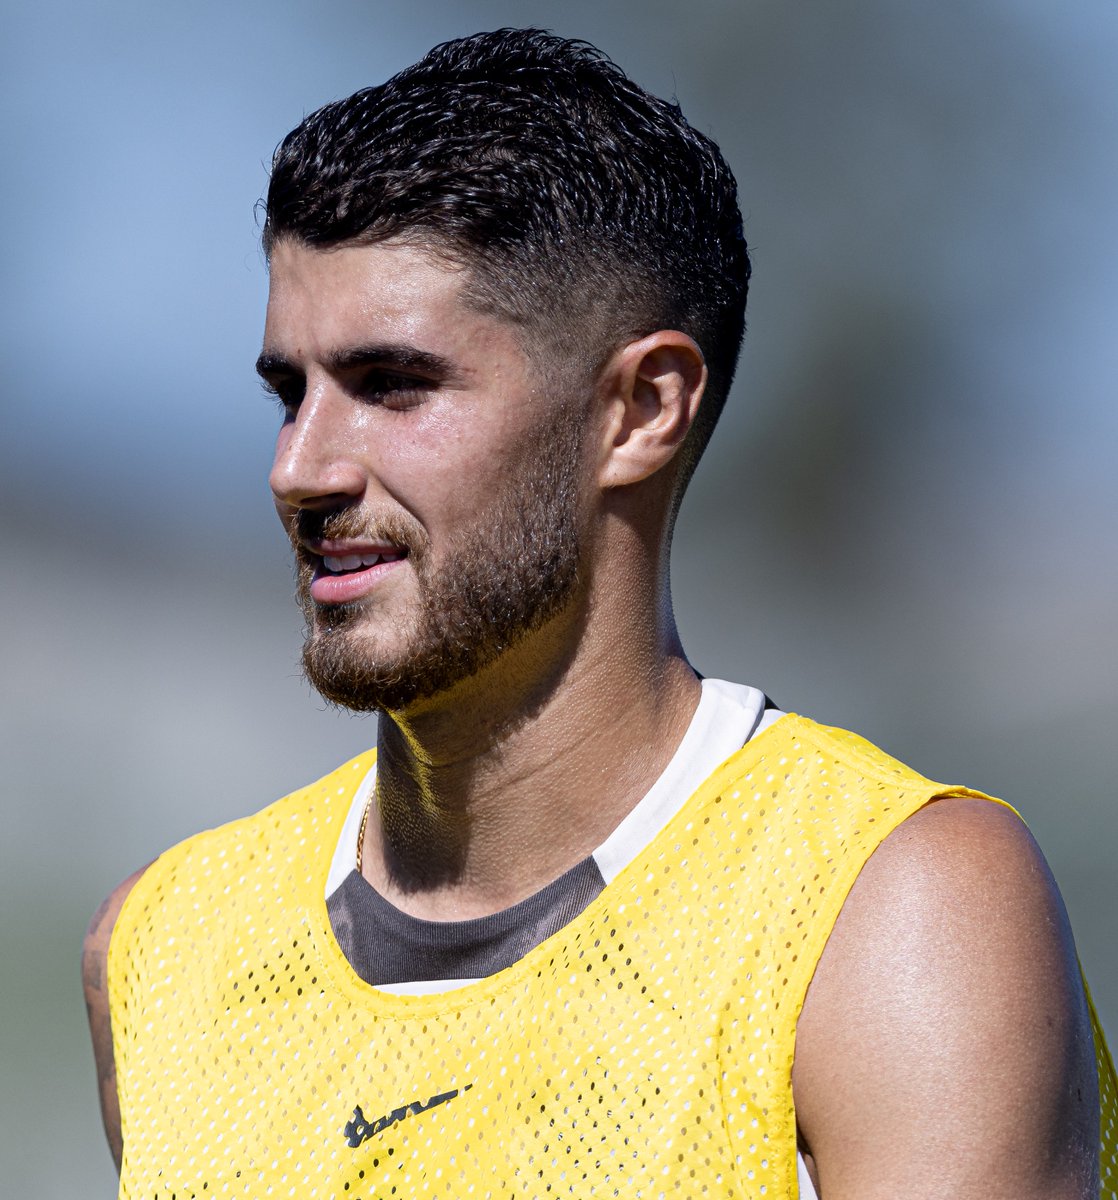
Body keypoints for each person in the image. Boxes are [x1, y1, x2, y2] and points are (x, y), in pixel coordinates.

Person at [83, 27, 1117, 1200]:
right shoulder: (162, 946)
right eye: (290, 392)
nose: (300, 468)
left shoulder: (886, 909)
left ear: (640, 410)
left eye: (392, 385)